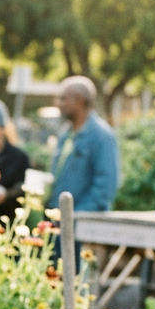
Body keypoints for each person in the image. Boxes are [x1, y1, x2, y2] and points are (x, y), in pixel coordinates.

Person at [51, 75, 120, 212]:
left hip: (83, 224)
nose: (59, 103)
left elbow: (106, 186)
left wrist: (77, 214)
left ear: (80, 101)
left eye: (63, 98)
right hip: (60, 221)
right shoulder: (66, 133)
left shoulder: (101, 135)